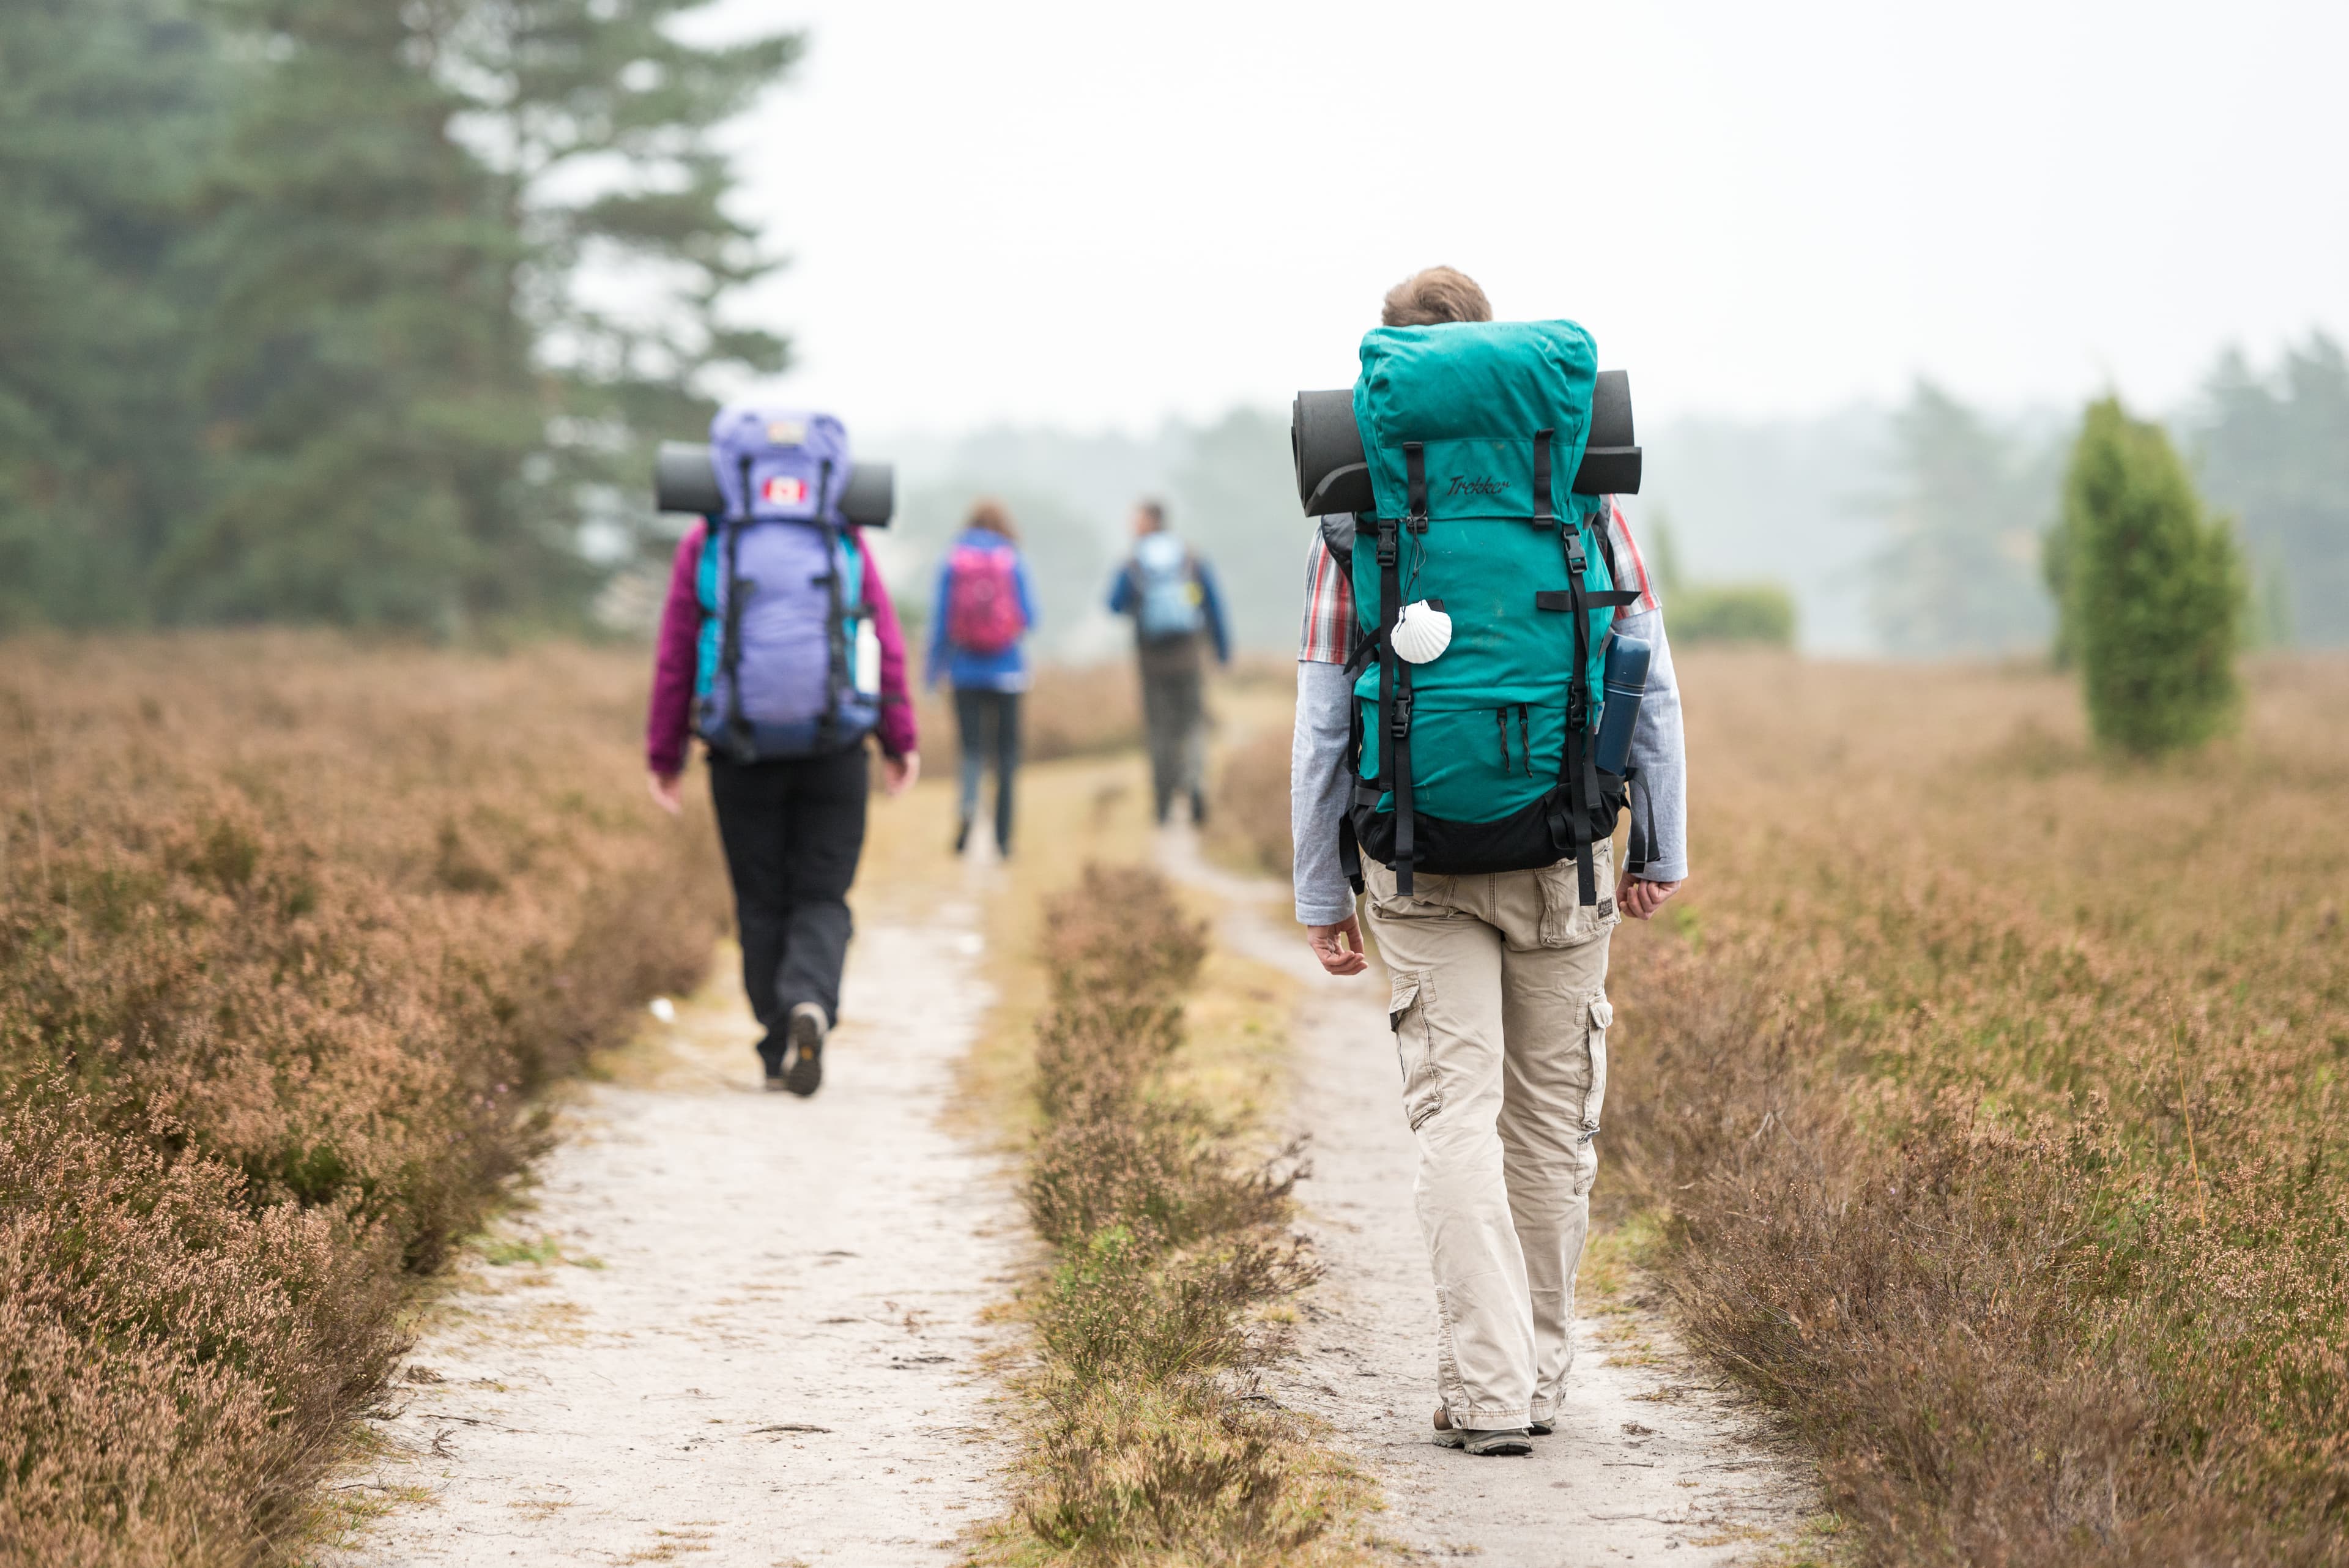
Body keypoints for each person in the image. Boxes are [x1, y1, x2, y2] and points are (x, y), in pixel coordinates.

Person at [1290, 267, 1688, 1455]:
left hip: (1415, 863)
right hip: (1566, 854)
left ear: (1391, 378)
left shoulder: (1357, 510)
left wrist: (1321, 890)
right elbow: (1649, 683)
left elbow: (1322, 721)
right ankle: (1544, 1374)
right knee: (1550, 1124)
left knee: (1455, 1120)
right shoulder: (1581, 492)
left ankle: (1487, 1388)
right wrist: (1660, 841)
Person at [644, 409, 919, 1098]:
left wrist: (665, 752)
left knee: (761, 898)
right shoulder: (840, 533)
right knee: (823, 893)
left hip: (740, 748)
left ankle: (775, 1048)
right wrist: (899, 738)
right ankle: (812, 1004)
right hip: (836, 746)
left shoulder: (710, 539)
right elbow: (882, 636)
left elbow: (678, 654)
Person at [927, 499, 1039, 857]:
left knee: (971, 752)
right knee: (1006, 757)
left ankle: (968, 809)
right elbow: (1031, 618)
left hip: (964, 673)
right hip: (1009, 673)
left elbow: (941, 623)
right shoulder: (1012, 559)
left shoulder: (954, 559)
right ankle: (1004, 840)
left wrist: (932, 674)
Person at [1107, 499, 1230, 825]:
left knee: (1160, 728)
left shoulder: (1133, 560)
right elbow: (1213, 604)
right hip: (1189, 654)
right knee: (1191, 723)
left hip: (1151, 659)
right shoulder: (1189, 556)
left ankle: (1163, 802)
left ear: (1149, 522)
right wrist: (1221, 650)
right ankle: (1194, 783)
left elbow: (1114, 604)